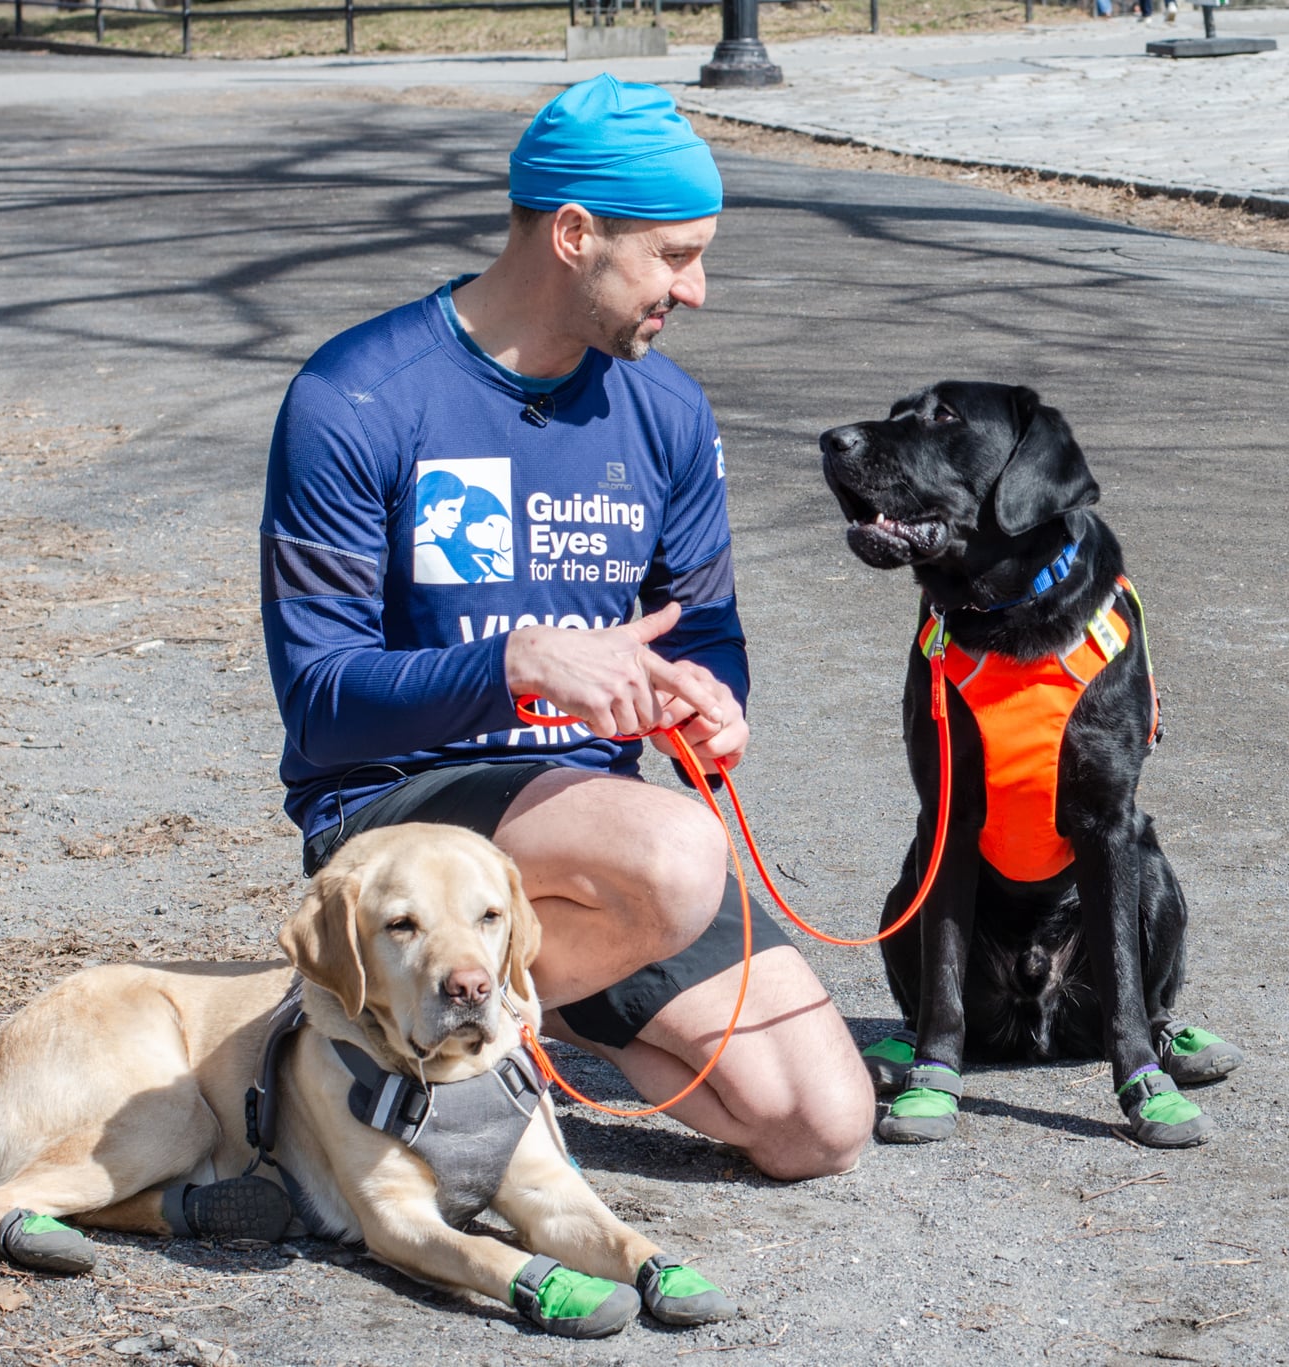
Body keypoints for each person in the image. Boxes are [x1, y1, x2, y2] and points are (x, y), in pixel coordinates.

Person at [259, 74, 872, 1181]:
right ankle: (381, 1027)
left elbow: (705, 624)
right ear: (574, 234)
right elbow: (321, 702)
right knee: (679, 849)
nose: (696, 290)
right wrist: (516, 662)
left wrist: (706, 696)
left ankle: (504, 1015)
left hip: (594, 854)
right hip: (398, 812)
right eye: (675, 256)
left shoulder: (666, 410)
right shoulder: (354, 398)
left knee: (817, 1124)